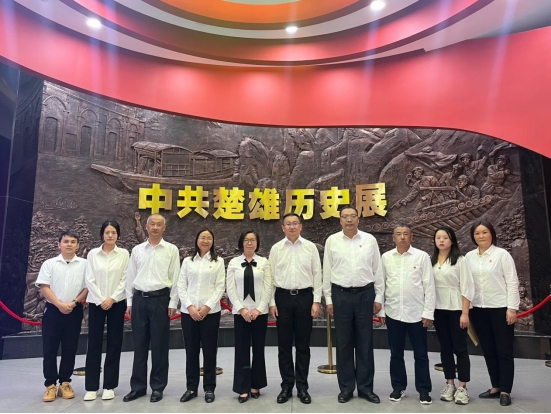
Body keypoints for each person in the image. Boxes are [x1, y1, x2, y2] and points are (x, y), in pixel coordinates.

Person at [322, 206, 383, 404]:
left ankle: (366, 388)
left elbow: (378, 270)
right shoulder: (332, 241)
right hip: (341, 295)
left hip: (365, 294)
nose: (349, 220)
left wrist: (378, 297)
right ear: (340, 220)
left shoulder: (369, 240)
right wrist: (329, 299)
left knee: (365, 343)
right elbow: (327, 272)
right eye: (345, 217)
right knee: (344, 343)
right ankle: (346, 388)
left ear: (358, 219)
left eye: (352, 216)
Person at [123, 214, 180, 403]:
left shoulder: (171, 250)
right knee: (139, 346)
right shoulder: (137, 250)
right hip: (139, 300)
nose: (155, 227)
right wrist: (129, 302)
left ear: (164, 228)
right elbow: (130, 277)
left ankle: (157, 386)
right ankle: (138, 387)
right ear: (146, 227)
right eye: (152, 224)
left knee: (159, 346)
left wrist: (173, 302)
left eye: (159, 224)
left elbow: (176, 277)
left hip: (160, 300)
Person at [269, 212, 322, 404]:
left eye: (295, 223)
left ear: (301, 226)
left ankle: (302, 387)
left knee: (303, 345)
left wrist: (316, 301)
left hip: (304, 298)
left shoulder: (310, 247)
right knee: (284, 345)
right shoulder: (276, 248)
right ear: (283, 228)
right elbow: (270, 277)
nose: (292, 226)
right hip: (282, 298)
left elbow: (317, 274)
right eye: (288, 224)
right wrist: (272, 302)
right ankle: (286, 386)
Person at [465, 220, 519, 407]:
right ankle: (495, 386)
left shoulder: (501, 255)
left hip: (500, 308)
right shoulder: (469, 257)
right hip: (478, 309)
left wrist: (512, 308)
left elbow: (512, 281)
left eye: (484, 232)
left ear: (492, 234)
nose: (481, 236)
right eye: (477, 233)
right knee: (488, 349)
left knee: (504, 350)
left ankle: (505, 390)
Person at [380, 223, 435, 405]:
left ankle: (424, 390)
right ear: (393, 238)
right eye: (398, 234)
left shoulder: (422, 257)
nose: (402, 237)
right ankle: (398, 387)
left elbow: (429, 286)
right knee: (396, 353)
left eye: (405, 234)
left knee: (421, 354)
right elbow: (381, 285)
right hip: (393, 312)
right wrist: (381, 310)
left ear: (412, 237)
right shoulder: (386, 257)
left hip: (417, 314)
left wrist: (428, 312)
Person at [36, 231, 88, 402]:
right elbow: (44, 287)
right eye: (66, 241)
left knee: (70, 348)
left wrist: (73, 303)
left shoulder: (85, 265)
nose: (69, 244)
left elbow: (87, 287)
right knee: (49, 348)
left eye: (73, 241)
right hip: (53, 310)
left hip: (74, 310)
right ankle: (50, 385)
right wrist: (59, 304)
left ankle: (65, 382)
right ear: (59, 244)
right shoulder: (49, 264)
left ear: (78, 246)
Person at [178, 229, 225, 404]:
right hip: (188, 313)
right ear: (197, 240)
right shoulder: (188, 261)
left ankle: (209, 388)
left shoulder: (218, 262)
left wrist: (206, 307)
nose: (205, 241)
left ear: (213, 241)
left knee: (209, 351)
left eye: (209, 238)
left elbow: (220, 287)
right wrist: (190, 307)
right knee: (191, 351)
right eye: (202, 237)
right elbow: (181, 285)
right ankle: (191, 388)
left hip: (210, 313)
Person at [84, 221, 129, 401]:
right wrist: (101, 298)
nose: (110, 235)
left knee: (114, 343)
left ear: (118, 235)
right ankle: (91, 387)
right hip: (96, 302)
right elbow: (89, 279)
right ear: (102, 234)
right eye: (107, 232)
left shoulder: (124, 254)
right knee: (94, 344)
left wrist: (112, 298)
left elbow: (126, 278)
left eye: (114, 232)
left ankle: (109, 385)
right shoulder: (93, 254)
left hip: (116, 303)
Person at [226, 230, 273, 403]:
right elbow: (230, 288)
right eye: (246, 240)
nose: (249, 243)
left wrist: (259, 309)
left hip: (259, 313)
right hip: (241, 314)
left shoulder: (264, 262)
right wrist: (242, 309)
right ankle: (242, 386)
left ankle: (256, 384)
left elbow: (268, 287)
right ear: (241, 243)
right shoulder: (233, 263)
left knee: (258, 349)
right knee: (242, 350)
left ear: (257, 243)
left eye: (253, 240)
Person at [431, 226, 475, 405]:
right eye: (438, 237)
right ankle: (450, 383)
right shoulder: (431, 260)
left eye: (445, 237)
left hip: (457, 309)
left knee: (460, 348)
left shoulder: (460, 260)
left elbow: (467, 287)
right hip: (438, 309)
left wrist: (465, 313)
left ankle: (463, 386)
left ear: (452, 240)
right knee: (445, 348)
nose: (441, 240)